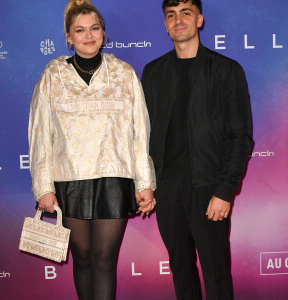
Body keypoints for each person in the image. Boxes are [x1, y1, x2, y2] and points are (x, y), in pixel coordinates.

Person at [28, 1, 156, 299]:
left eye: (94, 28)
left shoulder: (124, 74)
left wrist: (145, 183)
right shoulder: (53, 75)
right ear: (69, 37)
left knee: (103, 261)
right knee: (82, 259)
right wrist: (43, 187)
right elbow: (40, 135)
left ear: (103, 33)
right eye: (80, 30)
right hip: (69, 179)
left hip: (114, 178)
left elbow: (140, 133)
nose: (89, 35)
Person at [141, 0, 253, 299]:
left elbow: (240, 136)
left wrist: (224, 190)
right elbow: (142, 136)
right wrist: (147, 185)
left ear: (199, 20)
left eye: (186, 13)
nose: (178, 20)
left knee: (216, 273)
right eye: (171, 15)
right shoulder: (152, 73)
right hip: (167, 189)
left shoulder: (226, 70)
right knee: (181, 271)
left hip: (209, 187)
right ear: (165, 24)